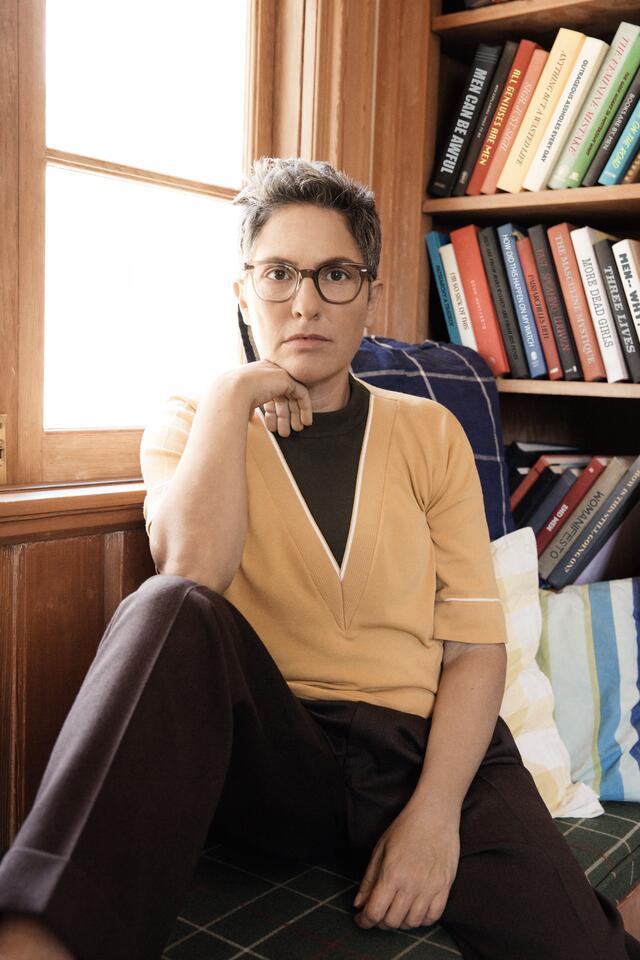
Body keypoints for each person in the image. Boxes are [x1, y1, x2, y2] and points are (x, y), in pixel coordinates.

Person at [0, 156, 638, 960]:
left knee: (581, 950)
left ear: (370, 291)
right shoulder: (189, 423)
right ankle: (32, 939)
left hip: (418, 747)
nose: (305, 302)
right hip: (276, 757)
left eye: (336, 274)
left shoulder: (427, 431)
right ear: (243, 292)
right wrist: (234, 397)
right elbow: (192, 575)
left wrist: (434, 817)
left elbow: (477, 646)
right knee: (164, 608)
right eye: (277, 274)